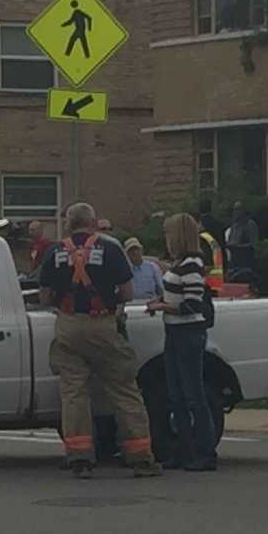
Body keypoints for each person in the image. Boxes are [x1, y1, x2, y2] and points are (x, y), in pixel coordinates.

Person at [39, 202, 160, 479]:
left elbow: (45, 297)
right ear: (93, 223)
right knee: (124, 389)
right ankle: (140, 457)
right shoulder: (111, 248)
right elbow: (128, 293)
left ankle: (79, 456)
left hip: (68, 325)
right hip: (103, 324)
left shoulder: (54, 251)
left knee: (73, 392)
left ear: (69, 224)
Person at [146, 213, 218, 472]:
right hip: (174, 331)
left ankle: (205, 452)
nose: (166, 239)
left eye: (168, 234)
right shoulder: (178, 263)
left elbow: (192, 303)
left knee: (193, 394)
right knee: (176, 394)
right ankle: (184, 450)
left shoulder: (192, 264)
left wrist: (163, 306)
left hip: (189, 333)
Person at [226, 201, 259, 277]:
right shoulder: (234, 225)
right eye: (234, 210)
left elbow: (253, 245)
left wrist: (238, 247)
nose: (235, 212)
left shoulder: (250, 224)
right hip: (234, 262)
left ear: (243, 211)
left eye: (237, 209)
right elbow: (231, 240)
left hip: (245, 263)